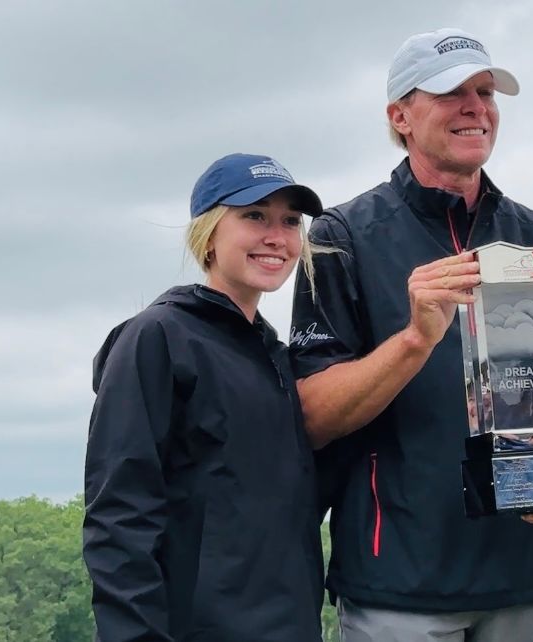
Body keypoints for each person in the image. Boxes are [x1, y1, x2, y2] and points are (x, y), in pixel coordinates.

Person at [289, 28, 533, 642]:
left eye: (484, 91)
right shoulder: (336, 236)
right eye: (450, 92)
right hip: (399, 578)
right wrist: (413, 340)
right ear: (400, 116)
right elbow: (312, 415)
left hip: (526, 572)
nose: (475, 106)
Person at [83, 153, 327, 642]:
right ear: (209, 234)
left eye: (290, 221)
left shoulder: (273, 354)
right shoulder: (159, 337)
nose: (276, 236)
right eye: (254, 216)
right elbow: (119, 515)